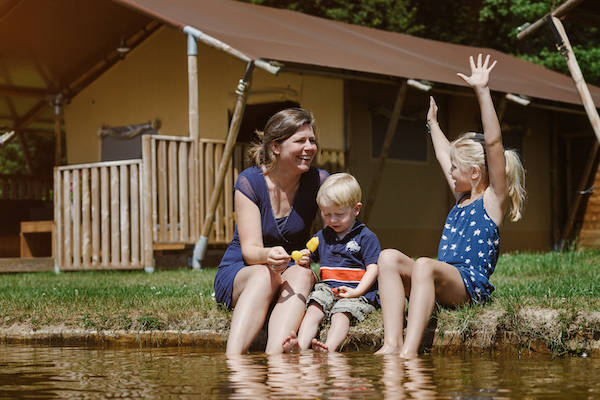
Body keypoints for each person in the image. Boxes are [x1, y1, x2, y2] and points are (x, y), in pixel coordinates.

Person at [375, 54, 526, 357]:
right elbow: (446, 154)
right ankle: (392, 344)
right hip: (440, 280)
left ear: (475, 173)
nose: (449, 171)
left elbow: (493, 145)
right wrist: (432, 124)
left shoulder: (492, 201)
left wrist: (482, 91)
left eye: (455, 168)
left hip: (468, 287)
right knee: (388, 257)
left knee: (424, 264)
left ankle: (409, 353)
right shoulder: (461, 196)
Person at [214, 108, 329, 355]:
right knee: (263, 275)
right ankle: (235, 365)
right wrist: (268, 256)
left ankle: (276, 359)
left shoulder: (319, 181)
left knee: (302, 274)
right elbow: (250, 251)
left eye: (312, 140)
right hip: (245, 270)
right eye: (300, 141)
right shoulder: (249, 182)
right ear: (276, 147)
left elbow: (337, 233)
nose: (309, 147)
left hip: (289, 271)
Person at [283, 173, 380, 352]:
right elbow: (308, 258)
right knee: (313, 307)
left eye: (339, 214)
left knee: (341, 314)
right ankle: (301, 346)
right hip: (328, 289)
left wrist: (357, 291)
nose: (332, 220)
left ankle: (329, 347)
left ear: (356, 209)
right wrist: (303, 259)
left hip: (356, 292)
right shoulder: (322, 237)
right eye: (327, 214)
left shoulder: (366, 237)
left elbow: (373, 269)